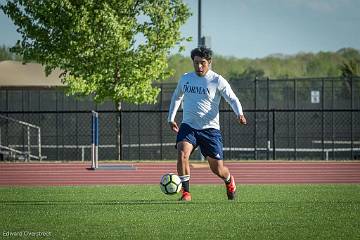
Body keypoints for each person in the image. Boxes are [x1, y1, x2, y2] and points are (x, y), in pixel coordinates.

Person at [167, 46, 247, 201]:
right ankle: (186, 193)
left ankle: (229, 180)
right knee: (182, 153)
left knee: (217, 169)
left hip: (210, 130)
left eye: (202, 63)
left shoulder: (217, 80)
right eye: (196, 62)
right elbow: (177, 97)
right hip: (188, 126)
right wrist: (171, 118)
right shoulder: (186, 78)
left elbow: (232, 98)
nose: (199, 66)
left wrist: (240, 113)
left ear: (209, 62)